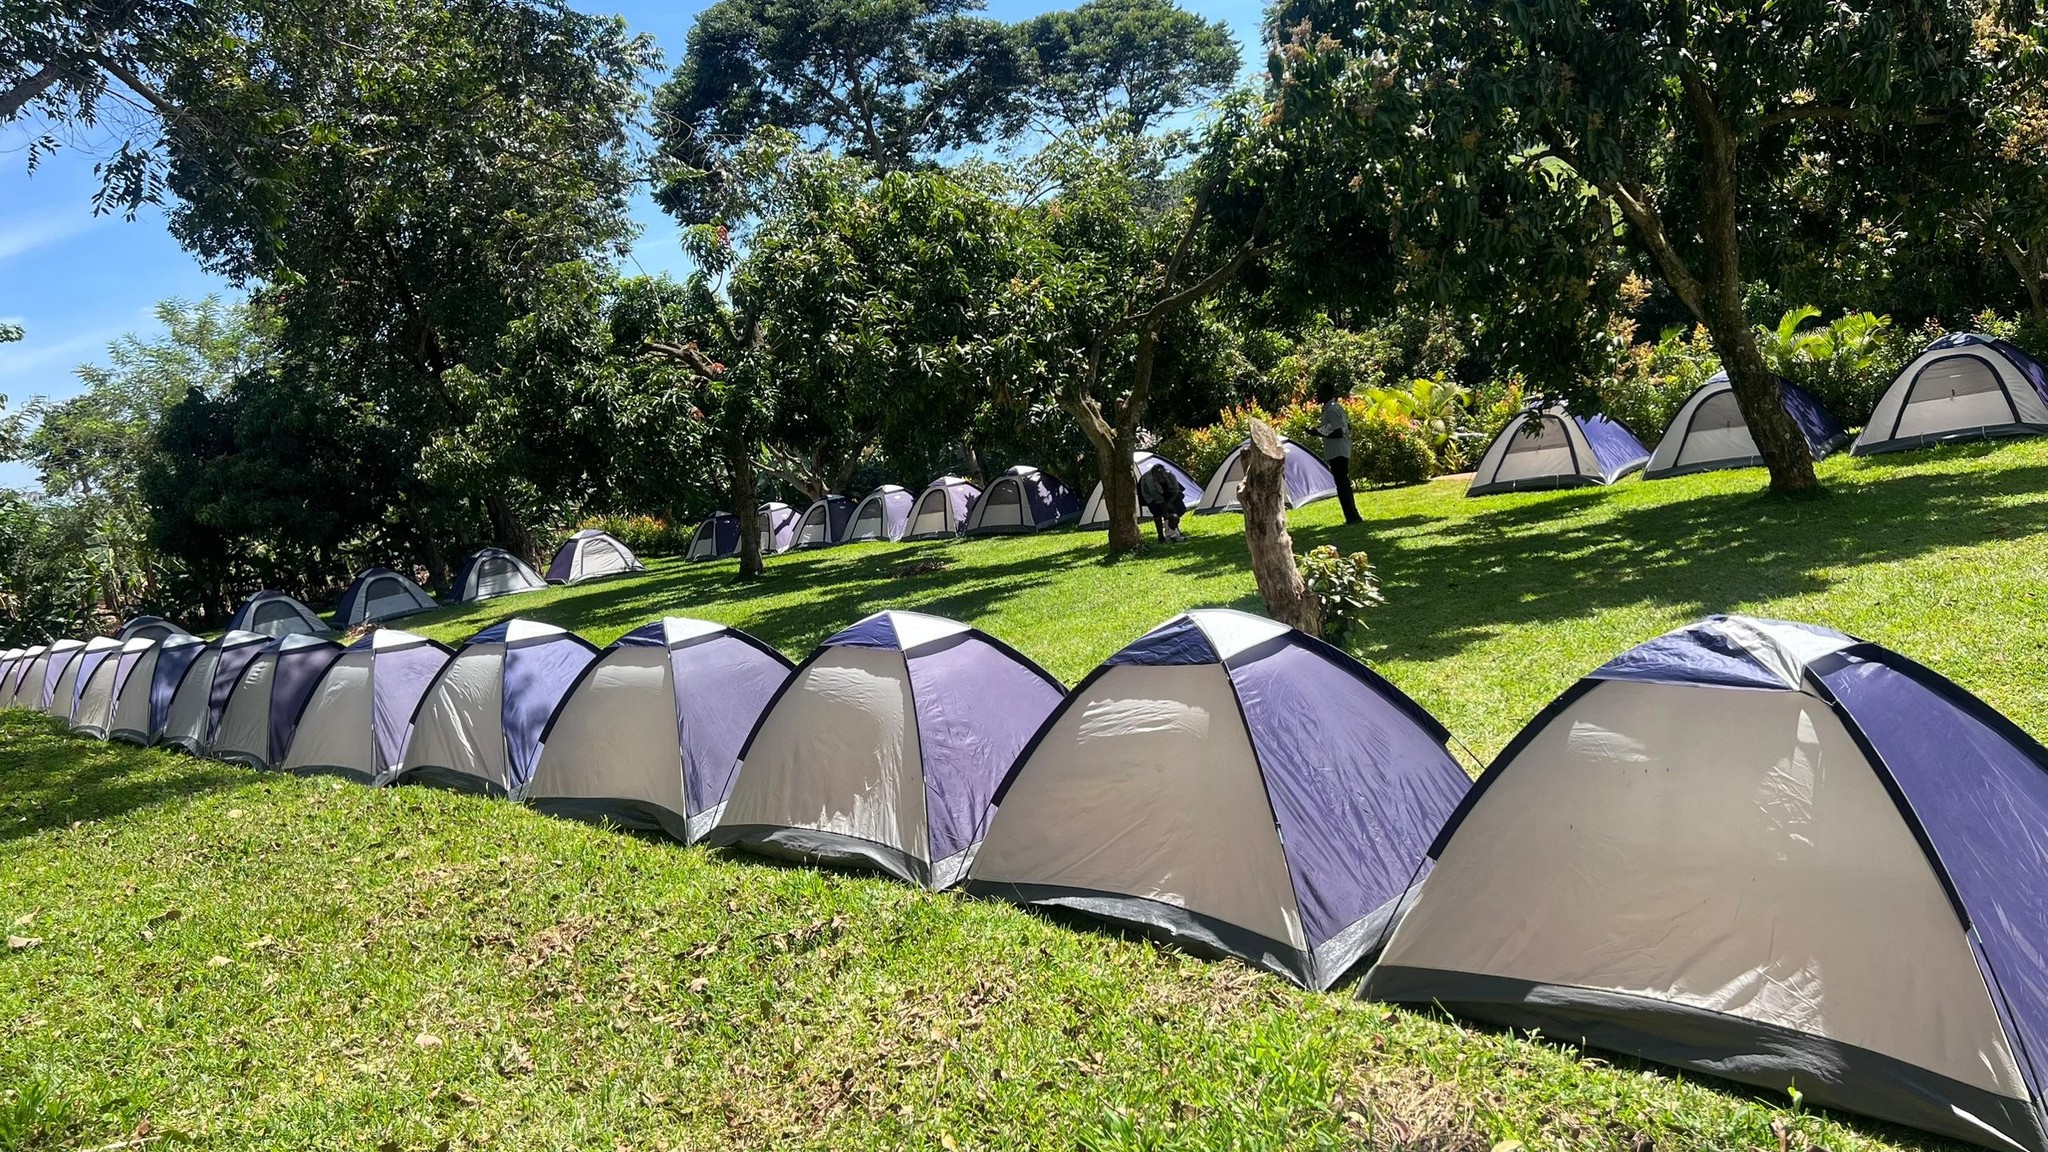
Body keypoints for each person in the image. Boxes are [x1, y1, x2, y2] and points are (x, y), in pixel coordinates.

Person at [1316, 378, 1364, 525]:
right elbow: (1347, 427)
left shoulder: (1331, 409)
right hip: (1340, 450)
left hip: (1337, 451)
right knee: (1343, 483)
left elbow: (1338, 432)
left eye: (1320, 393)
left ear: (1327, 393)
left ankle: (1352, 516)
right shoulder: (1335, 408)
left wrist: (1318, 433)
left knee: (1342, 484)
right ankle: (1352, 515)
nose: (1317, 396)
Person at [1138, 461, 1188, 542]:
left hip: (1168, 492)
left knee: (1179, 510)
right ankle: (1161, 536)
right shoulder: (1148, 480)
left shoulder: (1170, 475)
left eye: (1162, 474)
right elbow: (1154, 495)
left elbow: (1176, 489)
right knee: (1157, 513)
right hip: (1150, 496)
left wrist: (1170, 502)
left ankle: (1175, 530)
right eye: (1158, 475)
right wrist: (1165, 506)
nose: (1160, 476)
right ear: (1154, 475)